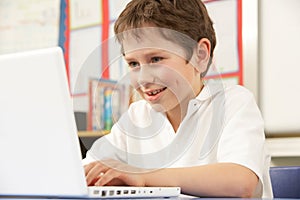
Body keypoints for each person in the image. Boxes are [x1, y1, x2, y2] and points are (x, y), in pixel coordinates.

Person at [83, 0, 273, 198]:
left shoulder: (234, 102)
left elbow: (240, 182)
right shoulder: (136, 116)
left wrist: (143, 176)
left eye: (156, 59)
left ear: (200, 55)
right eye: (133, 63)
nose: (143, 78)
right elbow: (86, 172)